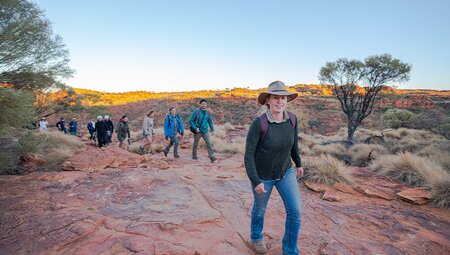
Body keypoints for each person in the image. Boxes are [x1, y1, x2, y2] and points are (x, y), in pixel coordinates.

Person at [244, 81, 303, 255]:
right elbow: (248, 156)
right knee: (260, 209)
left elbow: (294, 145)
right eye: (275, 98)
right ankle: (256, 237)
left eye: (283, 98)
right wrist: (255, 181)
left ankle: (290, 251)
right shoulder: (259, 123)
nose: (279, 101)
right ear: (268, 100)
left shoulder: (292, 119)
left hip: (286, 172)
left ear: (287, 100)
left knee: (295, 211)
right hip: (263, 176)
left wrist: (298, 163)